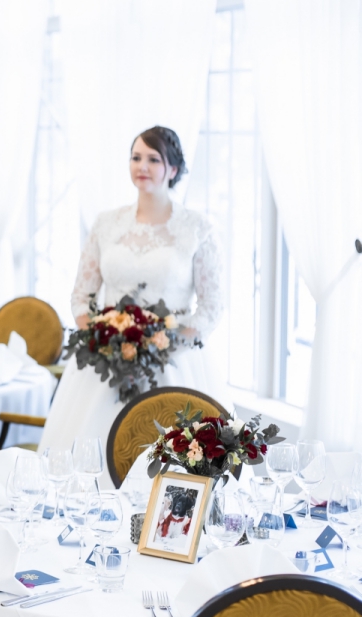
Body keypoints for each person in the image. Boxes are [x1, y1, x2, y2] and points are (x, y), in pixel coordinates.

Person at [38, 126, 230, 460]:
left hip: (173, 363)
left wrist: (168, 344)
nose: (142, 166)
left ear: (173, 169)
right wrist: (102, 340)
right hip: (105, 365)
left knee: (176, 460)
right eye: (136, 157)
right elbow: (81, 296)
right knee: (88, 456)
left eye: (153, 159)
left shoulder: (197, 228)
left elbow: (212, 306)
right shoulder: (106, 223)